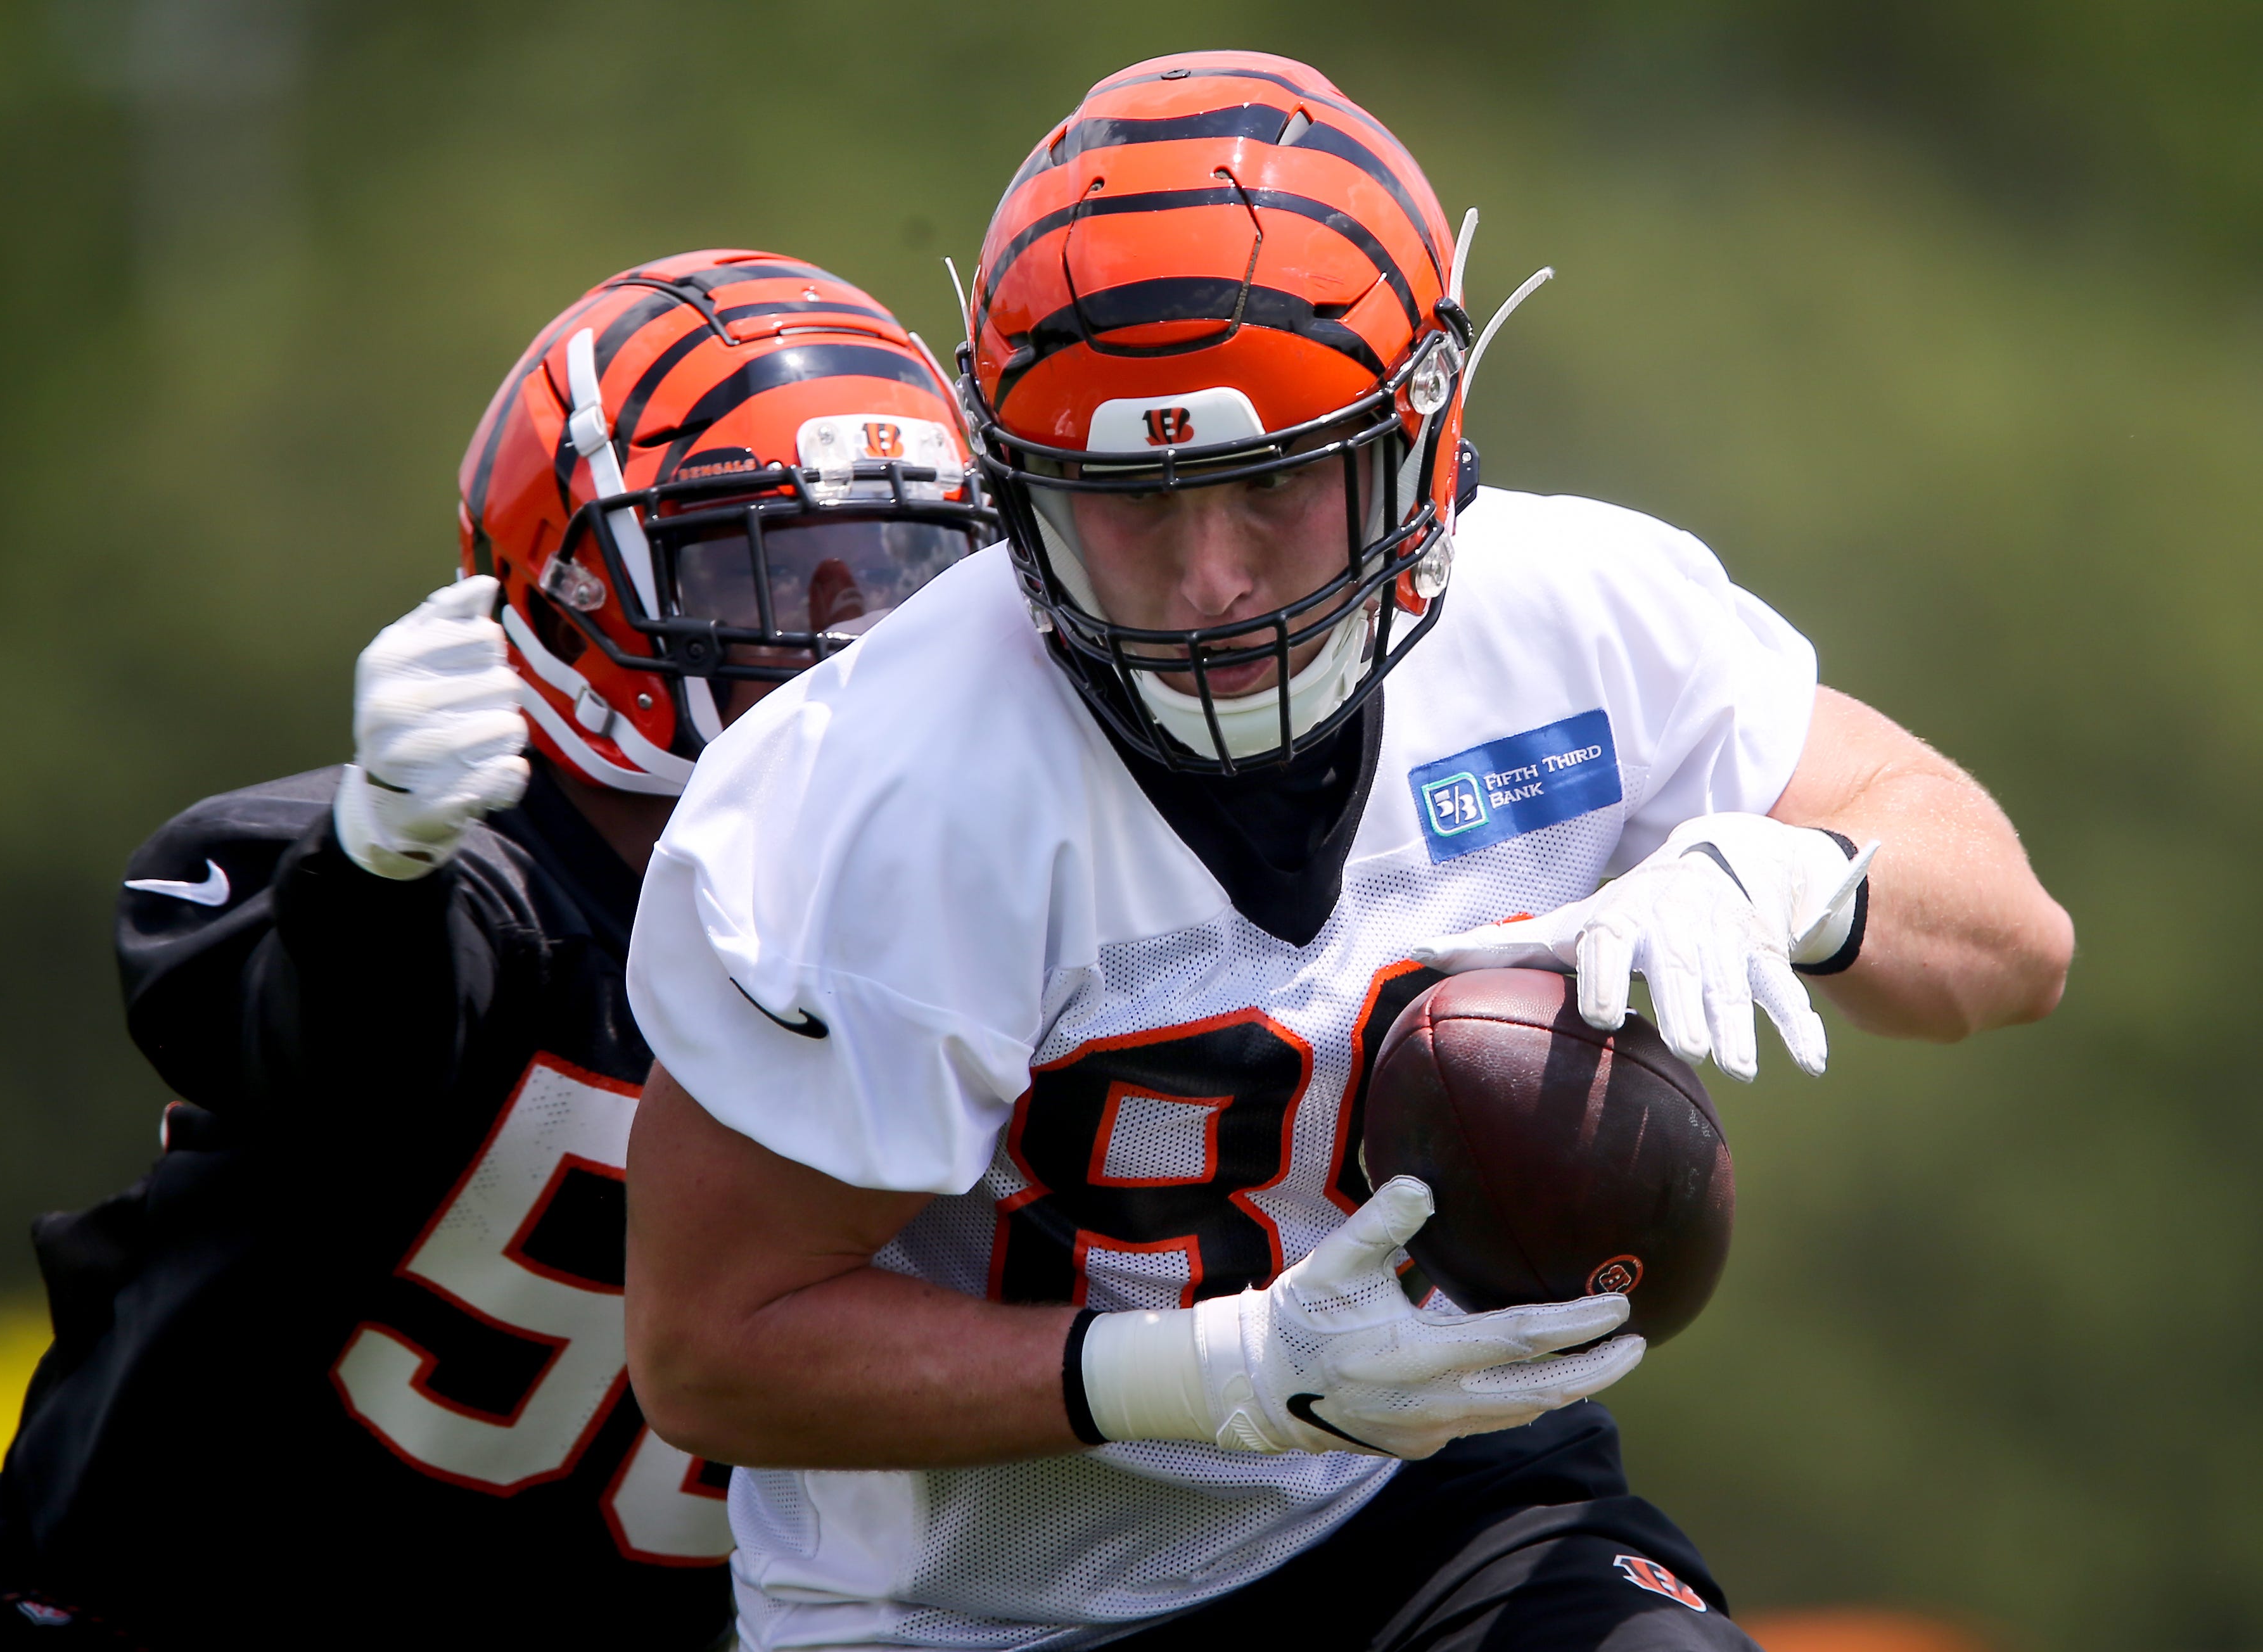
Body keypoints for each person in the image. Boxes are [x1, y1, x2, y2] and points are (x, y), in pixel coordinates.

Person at [618, 54, 2074, 1652]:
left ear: (1422, 435)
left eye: (1269, 484)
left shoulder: (1573, 619)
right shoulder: (884, 785)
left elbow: (2010, 944)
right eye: (1130, 504)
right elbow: (712, 1347)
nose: (1206, 580)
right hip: (980, 1610)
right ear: (1020, 488)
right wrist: (1218, 1377)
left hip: (1417, 1505)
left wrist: (1793, 878)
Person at [0, 250, 996, 1651]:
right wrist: (373, 869)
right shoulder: (442, 892)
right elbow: (341, 1042)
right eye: (761, 569)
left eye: (900, 563)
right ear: (571, 587)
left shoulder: (986, 920)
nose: (853, 633)